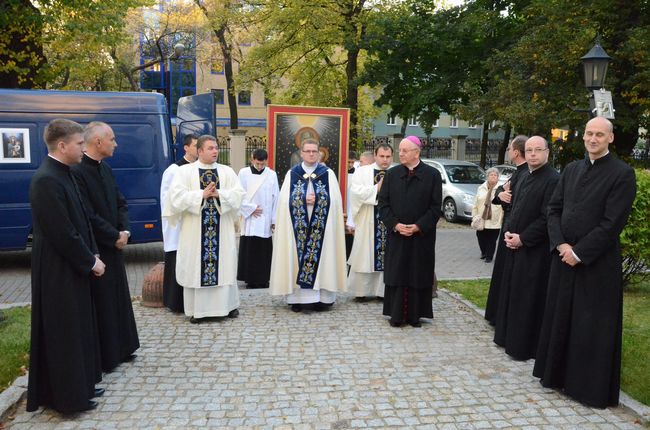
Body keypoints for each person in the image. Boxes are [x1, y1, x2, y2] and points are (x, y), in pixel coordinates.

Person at [533, 117, 637, 408]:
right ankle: (555, 375)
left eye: (599, 135)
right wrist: (562, 245)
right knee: (561, 316)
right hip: (563, 259)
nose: (593, 139)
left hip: (596, 264)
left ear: (610, 139)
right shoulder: (572, 169)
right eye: (589, 134)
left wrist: (579, 252)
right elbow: (553, 210)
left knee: (590, 324)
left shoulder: (622, 174)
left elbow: (611, 223)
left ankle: (586, 387)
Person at [27, 119, 106, 413]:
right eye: (78, 144)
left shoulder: (66, 174)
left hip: (74, 266)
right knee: (64, 332)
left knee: (79, 329)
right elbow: (62, 232)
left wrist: (92, 254)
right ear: (62, 146)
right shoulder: (46, 180)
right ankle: (67, 398)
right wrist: (90, 262)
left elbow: (82, 220)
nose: (83, 149)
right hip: (58, 272)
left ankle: (81, 385)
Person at [71, 121, 140, 372]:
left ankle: (123, 347)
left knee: (118, 298)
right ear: (98, 142)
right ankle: (107, 355)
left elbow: (121, 202)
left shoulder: (106, 169)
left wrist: (125, 231)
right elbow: (87, 214)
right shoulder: (77, 173)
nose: (116, 143)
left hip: (115, 243)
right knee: (103, 302)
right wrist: (113, 235)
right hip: (98, 246)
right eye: (111, 139)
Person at [162, 135, 245, 323]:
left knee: (224, 264)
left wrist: (219, 195)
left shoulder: (227, 172)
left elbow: (239, 194)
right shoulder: (184, 172)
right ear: (199, 151)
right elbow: (175, 199)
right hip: (194, 231)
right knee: (196, 266)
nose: (215, 151)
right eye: (210, 148)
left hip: (222, 230)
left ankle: (228, 306)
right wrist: (202, 194)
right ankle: (197, 311)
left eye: (216, 147)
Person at [492, 136, 559, 360]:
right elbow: (514, 207)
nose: (532, 154)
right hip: (514, 244)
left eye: (537, 150)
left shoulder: (553, 179)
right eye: (529, 150)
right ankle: (507, 338)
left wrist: (523, 238)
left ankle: (524, 346)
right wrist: (510, 233)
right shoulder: (522, 175)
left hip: (534, 250)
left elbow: (547, 217)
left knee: (528, 297)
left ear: (547, 153)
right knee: (512, 293)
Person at [270, 138, 347, 312]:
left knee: (324, 257)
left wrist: (319, 200)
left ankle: (323, 299)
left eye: (314, 151)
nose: (311, 154)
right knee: (297, 257)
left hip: (322, 229)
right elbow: (283, 202)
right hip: (298, 228)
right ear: (301, 153)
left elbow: (335, 202)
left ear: (319, 153)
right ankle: (299, 299)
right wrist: (301, 200)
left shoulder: (328, 173)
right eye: (308, 151)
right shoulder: (293, 173)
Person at [378, 135, 442, 327]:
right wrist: (395, 225)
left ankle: (416, 315)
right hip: (397, 235)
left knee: (417, 272)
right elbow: (383, 204)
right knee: (397, 272)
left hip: (421, 236)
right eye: (400, 151)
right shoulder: (392, 174)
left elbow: (435, 207)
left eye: (405, 151)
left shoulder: (432, 175)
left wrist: (418, 226)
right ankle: (396, 314)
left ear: (417, 152)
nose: (401, 154)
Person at [484, 135, 528, 325]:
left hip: (517, 231)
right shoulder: (518, 172)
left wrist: (502, 194)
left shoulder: (526, 173)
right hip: (508, 227)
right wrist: (501, 193)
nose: (509, 151)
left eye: (510, 149)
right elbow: (502, 191)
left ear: (516, 152)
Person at [347, 144, 394, 300]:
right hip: (367, 219)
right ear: (375, 155)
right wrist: (377, 188)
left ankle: (382, 292)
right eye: (382, 156)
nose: (385, 160)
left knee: (388, 255)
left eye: (388, 157)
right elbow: (355, 192)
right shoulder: (362, 171)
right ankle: (361, 292)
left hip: (390, 220)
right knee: (363, 255)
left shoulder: (397, 172)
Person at [160, 134, 198, 312]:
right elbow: (168, 200)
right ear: (186, 147)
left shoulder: (199, 168)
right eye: (195, 146)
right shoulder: (174, 170)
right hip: (178, 224)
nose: (198, 149)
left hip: (194, 224)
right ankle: (175, 302)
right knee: (177, 261)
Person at [237, 149, 279, 288]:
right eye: (257, 163)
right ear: (252, 159)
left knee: (263, 250)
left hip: (265, 217)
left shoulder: (271, 174)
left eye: (262, 164)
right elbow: (238, 194)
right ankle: (250, 279)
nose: (260, 166)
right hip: (250, 217)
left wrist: (274, 220)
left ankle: (263, 279)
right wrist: (250, 209)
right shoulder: (243, 173)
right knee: (250, 248)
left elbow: (276, 198)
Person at [345, 151, 374, 259]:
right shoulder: (356, 174)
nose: (351, 165)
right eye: (348, 162)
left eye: (353, 162)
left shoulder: (359, 173)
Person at [471, 167, 503, 263]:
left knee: (492, 239)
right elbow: (475, 203)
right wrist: (474, 215)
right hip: (482, 218)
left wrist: (503, 219)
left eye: (495, 175)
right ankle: (484, 252)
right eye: (491, 175)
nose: (493, 176)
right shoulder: (481, 188)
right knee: (480, 236)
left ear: (498, 177)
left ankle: (489, 256)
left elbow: (504, 205)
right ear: (487, 176)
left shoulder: (501, 189)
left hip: (495, 218)